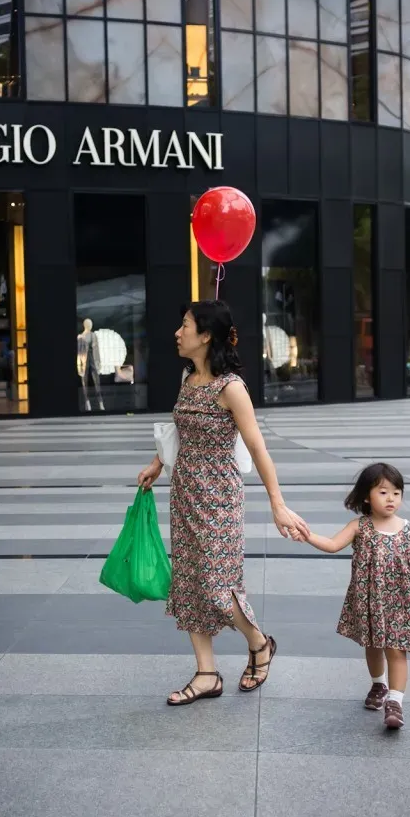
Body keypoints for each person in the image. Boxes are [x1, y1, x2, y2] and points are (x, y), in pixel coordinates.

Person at [138, 300, 309, 706]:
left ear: (206, 336)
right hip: (184, 496)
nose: (177, 333)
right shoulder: (188, 378)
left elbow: (258, 447)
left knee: (218, 587)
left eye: (185, 326)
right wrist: (156, 464)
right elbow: (179, 433)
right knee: (190, 583)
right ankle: (206, 673)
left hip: (220, 500)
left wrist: (277, 503)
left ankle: (259, 643)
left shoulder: (231, 388)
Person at [296, 462, 410, 729]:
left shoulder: (407, 529)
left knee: (397, 649)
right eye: (383, 492)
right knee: (373, 645)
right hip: (369, 600)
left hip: (398, 602)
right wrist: (307, 535)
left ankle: (395, 703)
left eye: (396, 493)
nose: (391, 498)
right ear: (366, 496)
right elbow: (332, 544)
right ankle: (378, 684)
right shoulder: (360, 526)